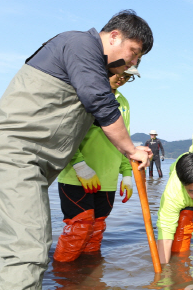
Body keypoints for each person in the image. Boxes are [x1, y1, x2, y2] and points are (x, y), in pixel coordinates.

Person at [0, 10, 153, 290]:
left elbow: (97, 117)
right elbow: (100, 103)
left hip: (31, 160)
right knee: (29, 248)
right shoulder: (80, 46)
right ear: (114, 36)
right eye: (134, 52)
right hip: (17, 154)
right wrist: (132, 149)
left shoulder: (94, 71)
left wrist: (128, 160)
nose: (133, 62)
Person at [54, 66, 141, 263]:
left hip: (107, 179)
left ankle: (90, 282)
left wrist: (126, 174)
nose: (123, 79)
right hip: (76, 177)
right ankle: (63, 281)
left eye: (128, 77)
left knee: (96, 230)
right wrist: (79, 165)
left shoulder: (123, 102)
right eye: (120, 73)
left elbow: (123, 139)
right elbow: (64, 134)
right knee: (79, 229)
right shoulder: (82, 93)